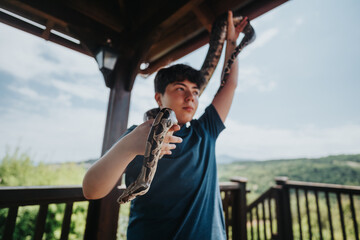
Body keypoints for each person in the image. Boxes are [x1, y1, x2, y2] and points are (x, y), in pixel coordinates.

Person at [83, 11, 248, 240]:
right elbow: (92, 190)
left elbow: (229, 84)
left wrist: (232, 42)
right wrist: (128, 146)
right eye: (180, 88)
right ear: (159, 98)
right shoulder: (138, 136)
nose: (190, 97)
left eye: (195, 91)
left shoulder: (204, 132)